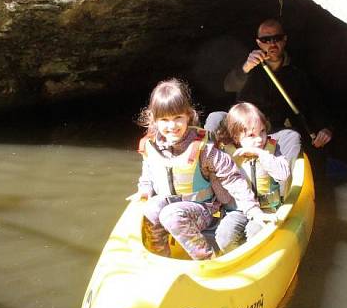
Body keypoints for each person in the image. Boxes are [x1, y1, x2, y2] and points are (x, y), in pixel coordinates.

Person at [128, 78, 274, 260]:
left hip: (204, 210)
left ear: (188, 116)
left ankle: (207, 259)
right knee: (151, 209)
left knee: (171, 215)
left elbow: (232, 177)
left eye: (177, 118)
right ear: (154, 120)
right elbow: (149, 172)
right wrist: (144, 189)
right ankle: (161, 258)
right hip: (172, 205)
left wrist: (252, 210)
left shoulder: (204, 149)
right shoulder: (151, 145)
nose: (172, 126)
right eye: (164, 120)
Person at [205, 18, 333, 164]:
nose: (272, 43)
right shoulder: (248, 62)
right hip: (239, 125)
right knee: (215, 117)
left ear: (284, 40)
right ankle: (207, 166)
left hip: (268, 130)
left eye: (277, 38)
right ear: (259, 42)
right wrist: (245, 68)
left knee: (292, 136)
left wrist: (325, 127)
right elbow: (228, 86)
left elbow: (313, 103)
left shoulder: (297, 73)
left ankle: (286, 183)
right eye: (266, 39)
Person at [213, 102, 291, 252]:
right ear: (235, 137)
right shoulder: (225, 154)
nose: (260, 139)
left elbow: (284, 175)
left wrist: (262, 154)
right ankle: (238, 260)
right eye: (251, 135)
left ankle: (258, 256)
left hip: (267, 208)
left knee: (255, 232)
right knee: (224, 238)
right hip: (237, 209)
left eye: (262, 131)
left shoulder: (272, 149)